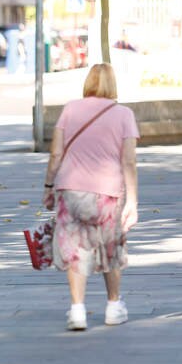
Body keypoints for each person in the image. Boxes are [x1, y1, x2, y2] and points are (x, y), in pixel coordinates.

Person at [42, 63, 139, 331]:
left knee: (75, 250)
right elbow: (129, 161)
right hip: (108, 193)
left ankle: (77, 311)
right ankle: (113, 306)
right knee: (111, 248)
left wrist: (49, 185)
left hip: (71, 190)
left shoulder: (71, 109)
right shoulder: (124, 115)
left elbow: (56, 154)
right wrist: (132, 201)